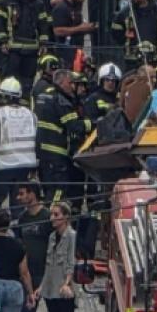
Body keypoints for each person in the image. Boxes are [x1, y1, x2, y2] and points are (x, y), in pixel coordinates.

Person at [0, 77, 38, 219]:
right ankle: (18, 230)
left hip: (4, 165)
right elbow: (37, 140)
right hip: (25, 165)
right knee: (18, 201)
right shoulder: (30, 114)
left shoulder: (0, 114)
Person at [35, 69, 93, 208]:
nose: (73, 86)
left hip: (43, 152)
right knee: (59, 189)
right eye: (70, 83)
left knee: (48, 188)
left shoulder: (44, 95)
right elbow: (75, 126)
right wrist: (92, 123)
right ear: (61, 82)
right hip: (56, 154)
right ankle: (50, 217)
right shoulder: (61, 100)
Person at [37, 201, 82, 312]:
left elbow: (71, 261)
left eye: (56, 215)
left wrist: (67, 283)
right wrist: (41, 287)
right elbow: (48, 265)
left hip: (63, 287)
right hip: (50, 287)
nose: (52, 218)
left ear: (66, 217)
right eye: (52, 214)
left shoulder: (71, 236)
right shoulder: (51, 237)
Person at [0, 0, 49, 100]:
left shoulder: (37, 3)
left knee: (28, 79)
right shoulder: (5, 1)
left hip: (31, 49)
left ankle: (24, 103)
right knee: (11, 77)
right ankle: (9, 100)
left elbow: (43, 24)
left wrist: (43, 44)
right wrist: (3, 41)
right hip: (13, 49)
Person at [14, 183, 52, 312]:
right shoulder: (22, 218)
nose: (18, 198)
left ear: (32, 194)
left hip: (48, 273)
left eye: (22, 194)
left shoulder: (47, 217)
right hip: (28, 274)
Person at [50, 0, 95, 66]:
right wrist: (80, 28)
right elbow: (58, 31)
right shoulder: (61, 8)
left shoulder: (76, 7)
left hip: (76, 51)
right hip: (65, 52)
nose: (83, 0)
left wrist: (87, 28)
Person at [124, 0, 157, 69]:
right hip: (132, 60)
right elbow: (115, 30)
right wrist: (124, 35)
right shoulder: (126, 12)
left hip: (155, 58)